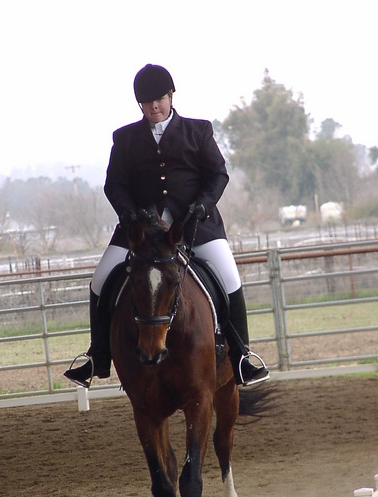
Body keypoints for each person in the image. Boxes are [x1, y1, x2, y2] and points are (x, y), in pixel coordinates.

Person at [64, 64, 269, 388]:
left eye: (159, 99)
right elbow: (114, 185)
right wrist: (130, 215)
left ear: (171, 96)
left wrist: (203, 205)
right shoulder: (125, 138)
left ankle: (242, 357)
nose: (154, 106)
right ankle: (98, 356)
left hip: (196, 225)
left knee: (230, 277)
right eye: (147, 102)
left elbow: (218, 174)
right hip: (142, 232)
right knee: (100, 280)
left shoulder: (198, 131)